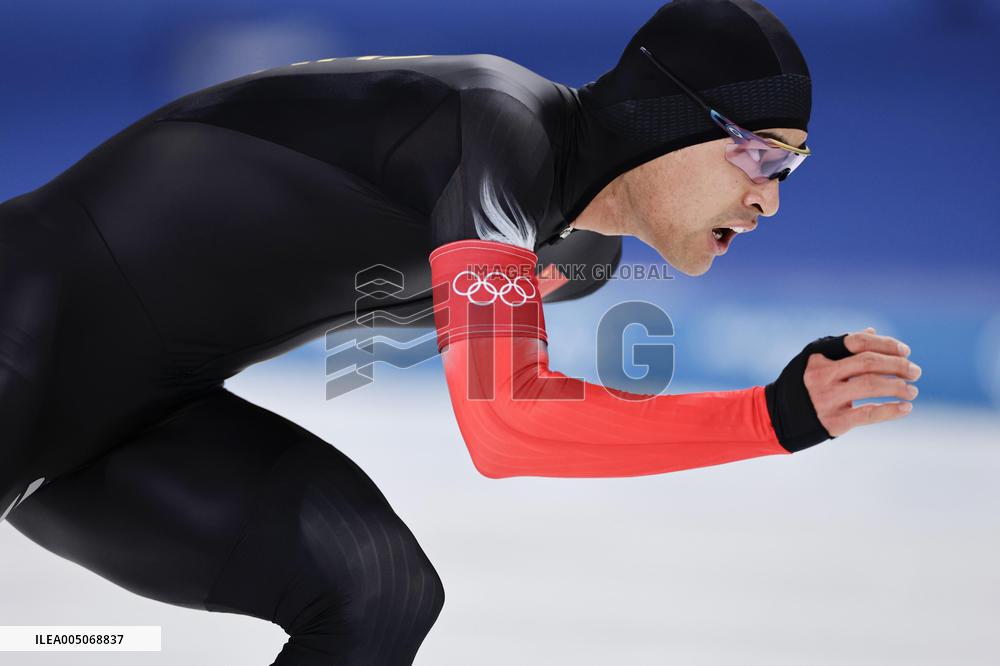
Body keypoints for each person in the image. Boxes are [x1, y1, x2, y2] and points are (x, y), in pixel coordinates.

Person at [0, 0, 920, 663]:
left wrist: (780, 416)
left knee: (375, 597)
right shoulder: (497, 128)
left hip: (147, 416)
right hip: (15, 326)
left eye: (790, 167)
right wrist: (771, 418)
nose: (767, 196)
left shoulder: (577, 258)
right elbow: (509, 425)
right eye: (757, 152)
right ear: (668, 117)